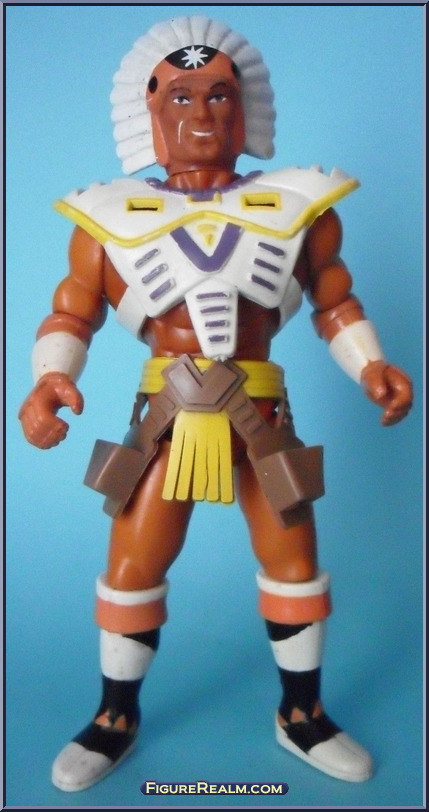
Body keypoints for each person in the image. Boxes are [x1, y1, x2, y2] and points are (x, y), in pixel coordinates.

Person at [19, 16, 412, 792]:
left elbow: (335, 303)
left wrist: (370, 366)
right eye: (182, 95)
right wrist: (48, 379)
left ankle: (302, 713)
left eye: (220, 95)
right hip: (165, 417)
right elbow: (71, 313)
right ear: (149, 110)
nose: (202, 113)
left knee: (294, 563)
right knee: (131, 565)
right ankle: (114, 717)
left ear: (246, 108)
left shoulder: (300, 207)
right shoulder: (106, 218)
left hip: (262, 415)